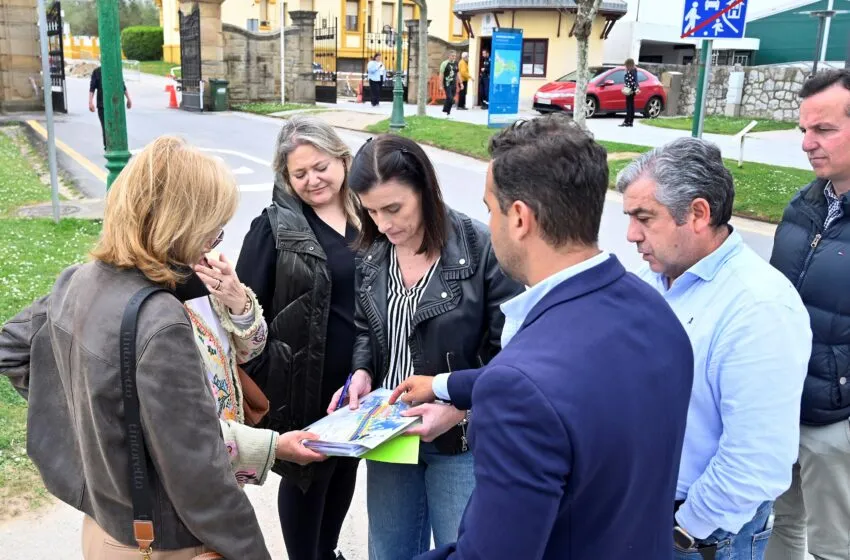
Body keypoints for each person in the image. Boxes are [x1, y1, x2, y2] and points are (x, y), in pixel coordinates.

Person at [0, 136, 324, 559]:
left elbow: (15, 350)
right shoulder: (159, 318)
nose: (213, 242)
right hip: (164, 537)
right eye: (212, 229)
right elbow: (199, 472)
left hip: (105, 523)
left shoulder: (79, 279)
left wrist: (95, 430)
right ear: (182, 224)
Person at [389, 114, 695, 559]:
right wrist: (445, 386)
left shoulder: (521, 390)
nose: (487, 223)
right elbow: (575, 388)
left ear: (519, 218)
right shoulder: (654, 312)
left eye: (489, 208)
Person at [327, 134, 523, 560]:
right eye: (371, 211)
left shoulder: (481, 248)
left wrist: (458, 408)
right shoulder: (374, 252)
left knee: (465, 551)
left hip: (460, 440)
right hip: (389, 434)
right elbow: (367, 328)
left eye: (394, 208)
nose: (383, 224)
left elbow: (511, 355)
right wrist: (361, 372)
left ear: (425, 190)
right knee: (389, 552)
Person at [616, 137, 812, 559]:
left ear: (698, 213)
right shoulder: (651, 278)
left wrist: (684, 530)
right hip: (643, 515)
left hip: (700, 535)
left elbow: (756, 459)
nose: (631, 234)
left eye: (644, 218)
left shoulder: (758, 306)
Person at [236, 115, 362, 560]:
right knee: (308, 475)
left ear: (342, 160)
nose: (313, 180)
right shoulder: (273, 227)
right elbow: (246, 310)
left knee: (345, 468)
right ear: (286, 177)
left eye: (321, 166)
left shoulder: (368, 215)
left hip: (360, 378)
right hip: (301, 380)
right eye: (300, 173)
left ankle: (326, 552)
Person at [766, 69, 850, 560]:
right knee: (783, 526)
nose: (806, 144)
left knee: (834, 547)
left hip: (836, 422)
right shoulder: (805, 203)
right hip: (785, 406)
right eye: (803, 130)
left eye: (823, 130)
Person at [89, 65, 132, 149]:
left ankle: (117, 144)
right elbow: (92, 88)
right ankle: (107, 146)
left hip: (115, 103)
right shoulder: (97, 72)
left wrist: (128, 99)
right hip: (102, 105)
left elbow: (122, 85)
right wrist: (90, 102)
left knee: (116, 124)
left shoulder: (115, 70)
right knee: (105, 126)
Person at [440, 50, 460, 118]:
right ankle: (444, 112)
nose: (454, 57)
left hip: (453, 83)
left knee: (449, 99)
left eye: (455, 56)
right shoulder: (444, 63)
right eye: (452, 56)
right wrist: (440, 85)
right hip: (447, 83)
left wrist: (461, 83)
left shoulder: (456, 63)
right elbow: (441, 74)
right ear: (449, 56)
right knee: (450, 98)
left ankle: (448, 113)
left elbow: (457, 74)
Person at [621, 58, 638, 127]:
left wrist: (627, 89)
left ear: (629, 64)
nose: (625, 66)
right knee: (631, 106)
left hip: (629, 89)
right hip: (632, 89)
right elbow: (635, 81)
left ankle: (627, 121)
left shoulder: (631, 71)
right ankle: (630, 122)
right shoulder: (634, 70)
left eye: (626, 65)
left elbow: (630, 81)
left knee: (629, 106)